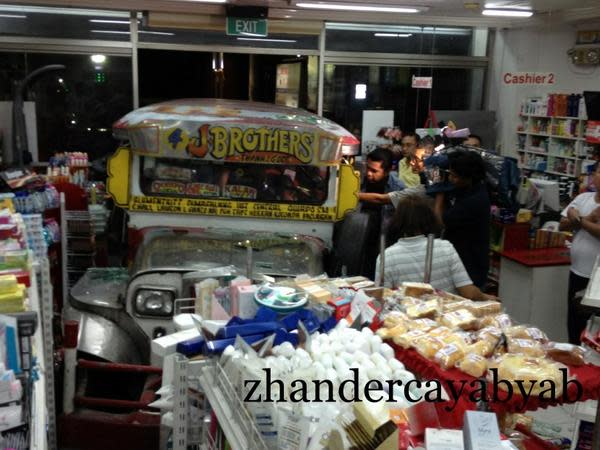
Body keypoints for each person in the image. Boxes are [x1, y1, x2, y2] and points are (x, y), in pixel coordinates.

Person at [375, 195, 496, 301]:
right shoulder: (445, 247)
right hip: (446, 322)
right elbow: (468, 292)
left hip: (407, 323)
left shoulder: (386, 257)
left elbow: (383, 300)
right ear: (428, 218)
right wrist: (487, 298)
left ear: (397, 221)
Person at [434, 150, 491, 289]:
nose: (451, 179)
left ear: (469, 177)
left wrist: (439, 194)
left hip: (469, 266)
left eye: (454, 176)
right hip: (461, 260)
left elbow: (440, 221)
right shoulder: (469, 189)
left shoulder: (474, 201)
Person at [559, 162, 600, 343]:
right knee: (575, 322)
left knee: (595, 328)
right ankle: (574, 358)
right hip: (577, 272)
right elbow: (563, 224)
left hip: (597, 277)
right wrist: (588, 219)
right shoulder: (583, 198)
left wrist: (579, 219)